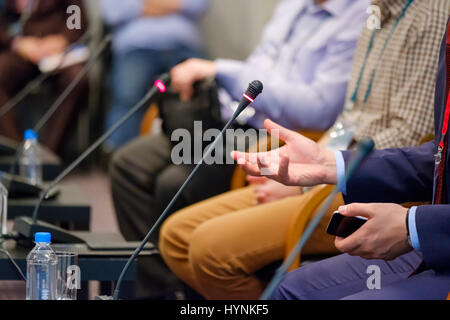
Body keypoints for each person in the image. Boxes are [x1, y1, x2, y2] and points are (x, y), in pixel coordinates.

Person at [158, 0, 450, 299]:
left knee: (210, 248)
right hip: (343, 159)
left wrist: (315, 182)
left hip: (376, 188)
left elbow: (410, 134)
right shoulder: (375, 9)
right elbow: (349, 116)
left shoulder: (430, 14)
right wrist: (322, 161)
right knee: (177, 235)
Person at [110, 0, 369, 298]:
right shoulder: (294, 5)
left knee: (175, 182)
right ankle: (161, 289)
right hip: (233, 117)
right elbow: (258, 67)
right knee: (128, 164)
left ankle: (185, 291)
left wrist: (221, 70)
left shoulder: (358, 16)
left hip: (278, 134)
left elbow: (318, 108)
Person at [101, 0, 208, 151]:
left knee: (205, 92)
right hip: (136, 46)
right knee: (128, 96)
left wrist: (145, 5)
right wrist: (172, 5)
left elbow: (198, 6)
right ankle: (120, 154)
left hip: (183, 45)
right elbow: (113, 12)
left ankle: (202, 152)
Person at [0, 0, 88, 152]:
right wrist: (16, 42)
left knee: (77, 78)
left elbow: (76, 12)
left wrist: (64, 39)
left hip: (57, 50)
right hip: (20, 48)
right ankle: (19, 152)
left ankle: (49, 155)